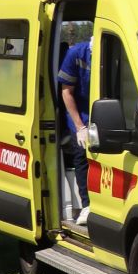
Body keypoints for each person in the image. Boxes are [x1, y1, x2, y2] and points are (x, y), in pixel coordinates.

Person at [56, 37, 93, 227]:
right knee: (82, 157)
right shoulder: (77, 54)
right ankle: (86, 205)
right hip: (81, 116)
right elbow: (66, 92)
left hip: (106, 113)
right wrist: (80, 126)